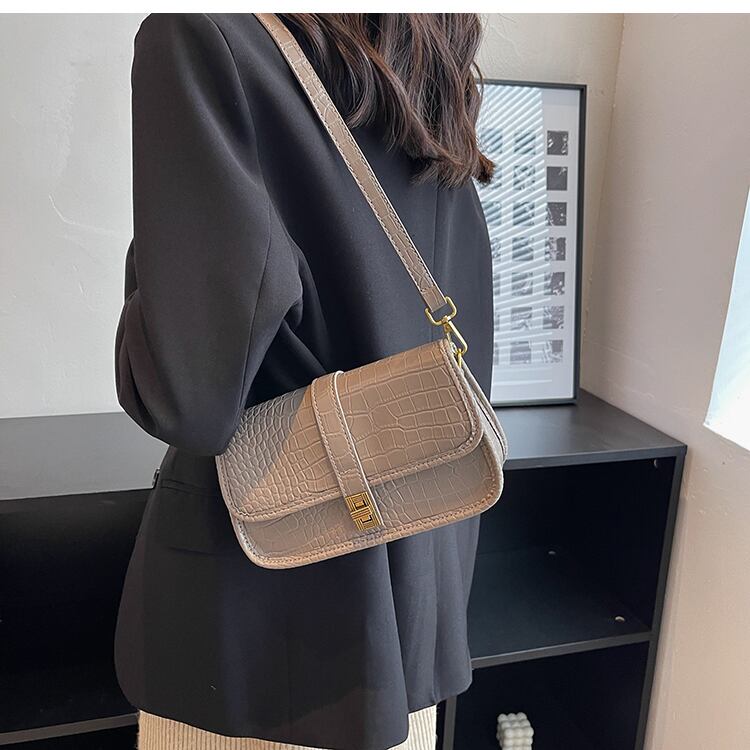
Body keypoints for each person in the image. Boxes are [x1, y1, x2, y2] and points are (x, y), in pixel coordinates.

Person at [114, 12, 495, 750]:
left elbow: (185, 399)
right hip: (415, 618)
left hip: (261, 646)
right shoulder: (431, 66)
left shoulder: (203, 40)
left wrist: (157, 259)